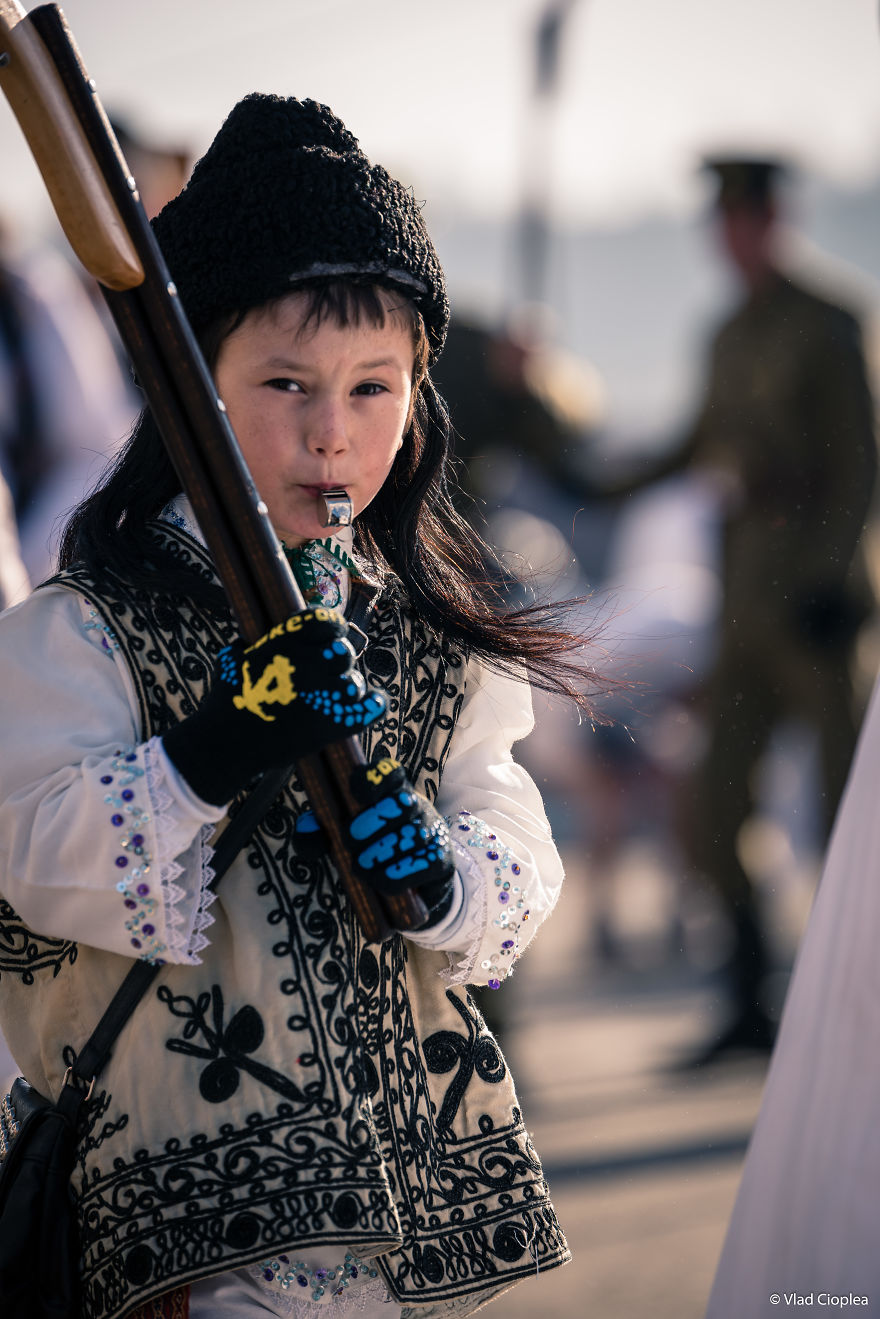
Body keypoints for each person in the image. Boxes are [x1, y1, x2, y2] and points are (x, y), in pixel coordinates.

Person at [0, 95, 600, 1319]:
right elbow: (28, 853)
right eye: (285, 382)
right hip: (182, 1227)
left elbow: (513, 831)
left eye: (374, 387)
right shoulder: (87, 625)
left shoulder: (431, 635)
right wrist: (209, 750)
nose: (332, 434)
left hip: (397, 1217)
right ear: (191, 391)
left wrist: (442, 872)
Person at [606, 157, 878, 1061]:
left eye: (746, 219)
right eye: (721, 223)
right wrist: (583, 476)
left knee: (849, 818)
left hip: (818, 613)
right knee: (717, 804)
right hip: (748, 607)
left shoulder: (830, 322)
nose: (732, 237)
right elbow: (691, 446)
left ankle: (858, 1012)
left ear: (774, 220)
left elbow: (861, 464)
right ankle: (749, 1005)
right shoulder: (725, 333)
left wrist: (833, 578)